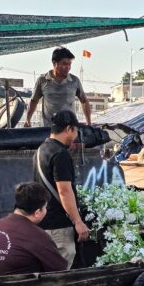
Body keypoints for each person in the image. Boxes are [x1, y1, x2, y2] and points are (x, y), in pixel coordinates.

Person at [34, 110, 90, 269]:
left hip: (43, 223)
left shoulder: (40, 150)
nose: (77, 134)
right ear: (68, 129)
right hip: (58, 227)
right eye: (76, 130)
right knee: (59, 277)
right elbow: (64, 191)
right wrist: (78, 222)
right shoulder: (60, 154)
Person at [0, 183, 67, 277]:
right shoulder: (37, 235)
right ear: (37, 212)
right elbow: (60, 271)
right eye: (45, 207)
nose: (46, 211)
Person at [25, 47, 91, 127]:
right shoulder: (42, 80)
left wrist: (89, 123)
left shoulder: (74, 81)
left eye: (69, 64)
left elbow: (84, 101)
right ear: (54, 63)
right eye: (64, 64)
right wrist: (28, 119)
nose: (67, 67)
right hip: (49, 129)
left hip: (69, 129)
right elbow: (34, 101)